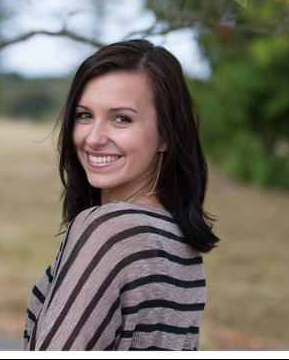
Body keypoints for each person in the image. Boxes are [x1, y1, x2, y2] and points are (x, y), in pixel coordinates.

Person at [23, 39, 219, 351]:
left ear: (166, 135)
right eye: (84, 115)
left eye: (121, 118)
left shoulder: (109, 231)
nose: (94, 138)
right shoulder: (182, 242)